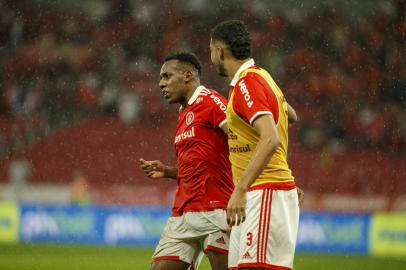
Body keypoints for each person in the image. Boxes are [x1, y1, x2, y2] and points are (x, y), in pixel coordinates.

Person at [209, 20, 301, 270]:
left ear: (220, 51)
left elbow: (271, 137)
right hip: (263, 191)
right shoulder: (262, 77)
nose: (211, 59)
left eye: (210, 51)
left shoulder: (247, 83)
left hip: (264, 191)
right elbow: (289, 115)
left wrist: (240, 188)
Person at [139, 51, 234, 270]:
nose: (161, 84)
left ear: (188, 76)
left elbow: (245, 139)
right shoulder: (184, 112)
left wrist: (275, 176)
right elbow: (202, 163)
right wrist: (170, 171)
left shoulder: (211, 101)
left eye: (167, 76)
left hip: (216, 210)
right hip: (182, 213)